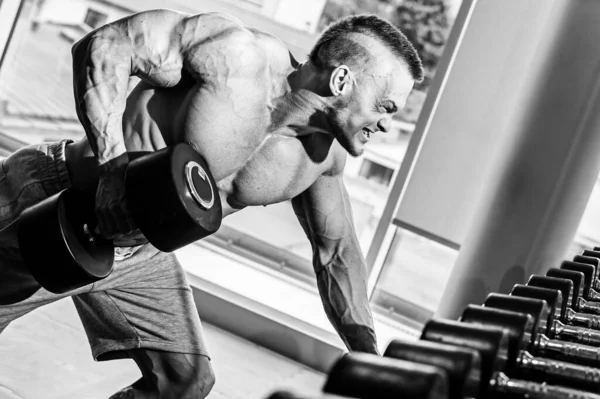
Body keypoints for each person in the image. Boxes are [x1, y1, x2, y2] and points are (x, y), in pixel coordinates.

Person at [0, 9, 423, 399]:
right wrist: (113, 172)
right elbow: (103, 47)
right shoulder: (237, 58)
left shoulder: (321, 159)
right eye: (386, 107)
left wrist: (371, 364)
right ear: (341, 81)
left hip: (138, 254)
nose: (387, 123)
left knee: (184, 381)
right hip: (60, 199)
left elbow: (338, 255)